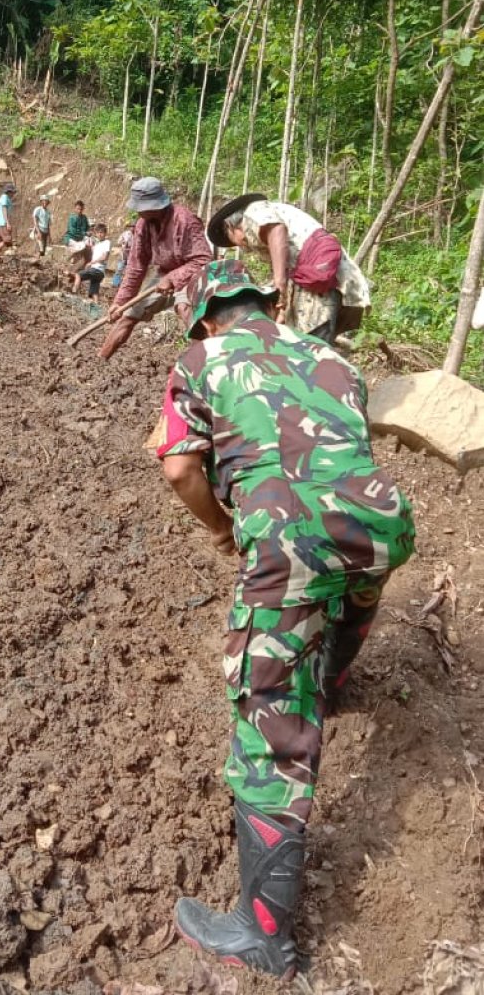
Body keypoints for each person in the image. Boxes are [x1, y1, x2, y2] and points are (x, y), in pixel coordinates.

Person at [156, 260, 415, 978]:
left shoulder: (199, 357)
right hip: (380, 527)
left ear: (207, 317)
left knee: (271, 718)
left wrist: (219, 528)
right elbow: (337, 453)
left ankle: (263, 932)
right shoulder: (333, 355)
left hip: (288, 547)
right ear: (274, 302)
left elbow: (178, 467)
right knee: (353, 585)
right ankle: (331, 674)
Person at [207, 193, 370, 343]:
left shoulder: (253, 212)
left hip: (318, 277)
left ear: (230, 225)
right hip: (323, 279)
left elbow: (277, 230)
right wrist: (282, 309)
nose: (241, 246)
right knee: (311, 343)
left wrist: (280, 285)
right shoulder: (276, 232)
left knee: (312, 346)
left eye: (233, 241)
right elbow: (285, 267)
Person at [98, 177, 212, 361]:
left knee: (184, 308)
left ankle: (205, 362)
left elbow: (203, 259)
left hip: (192, 276)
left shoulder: (185, 220)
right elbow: (136, 265)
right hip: (163, 274)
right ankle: (100, 360)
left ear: (155, 205)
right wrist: (121, 301)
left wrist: (173, 278)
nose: (137, 211)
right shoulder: (143, 225)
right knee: (128, 314)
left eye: (141, 207)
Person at [73, 223, 110, 301]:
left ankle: (74, 296)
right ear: (96, 234)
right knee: (94, 292)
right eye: (98, 232)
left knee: (78, 275)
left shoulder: (107, 242)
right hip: (98, 272)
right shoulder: (97, 245)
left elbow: (105, 257)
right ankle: (96, 309)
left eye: (102, 232)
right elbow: (93, 250)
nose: (100, 234)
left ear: (105, 233)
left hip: (97, 269)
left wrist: (91, 263)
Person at [0, 182, 16, 257]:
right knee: (7, 240)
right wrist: (7, 222)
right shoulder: (5, 197)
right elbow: (4, 209)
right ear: (9, 192)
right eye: (13, 192)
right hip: (2, 222)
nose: (13, 194)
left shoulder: (1, 198)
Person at [112, 221, 136, 288]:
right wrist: (123, 242)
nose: (132, 228)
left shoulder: (137, 235)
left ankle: (124, 284)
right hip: (123, 253)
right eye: (131, 226)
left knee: (128, 270)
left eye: (134, 226)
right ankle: (115, 283)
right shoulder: (125, 234)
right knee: (119, 268)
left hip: (131, 255)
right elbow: (119, 241)